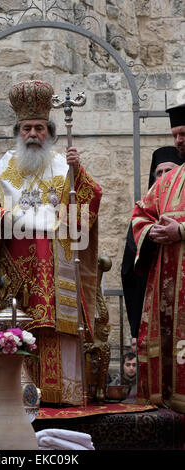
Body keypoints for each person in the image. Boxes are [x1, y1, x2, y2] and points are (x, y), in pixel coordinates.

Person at [0, 80, 102, 405]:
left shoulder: (64, 167)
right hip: (15, 275)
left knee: (54, 330)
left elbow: (87, 207)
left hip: (56, 274)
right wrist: (3, 217)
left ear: (49, 132)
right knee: (15, 328)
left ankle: (59, 396)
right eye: (27, 127)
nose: (33, 134)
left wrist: (79, 173)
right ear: (18, 130)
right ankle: (14, 396)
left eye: (39, 128)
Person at [132, 103, 185, 412]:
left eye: (183, 134)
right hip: (167, 292)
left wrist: (181, 231)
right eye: (175, 135)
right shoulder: (166, 182)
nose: (178, 141)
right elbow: (140, 214)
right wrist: (150, 232)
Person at [121, 146, 183, 340]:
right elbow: (130, 272)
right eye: (159, 172)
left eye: (170, 170)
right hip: (155, 304)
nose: (164, 176)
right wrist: (150, 232)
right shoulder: (144, 213)